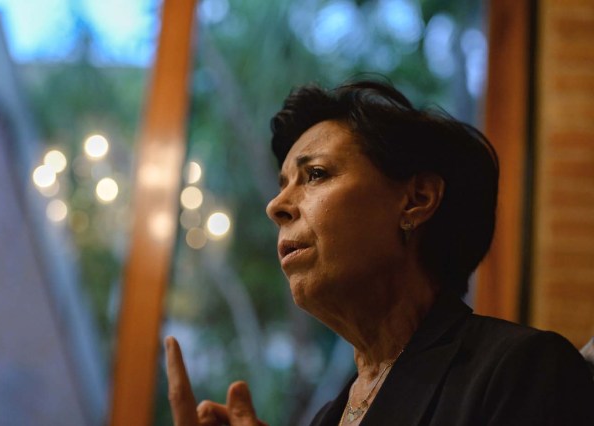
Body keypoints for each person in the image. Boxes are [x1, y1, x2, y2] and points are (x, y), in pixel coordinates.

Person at [164, 80, 594, 425]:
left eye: (315, 175)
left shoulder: (521, 372)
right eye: (282, 185)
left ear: (417, 200)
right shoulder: (326, 417)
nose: (275, 207)